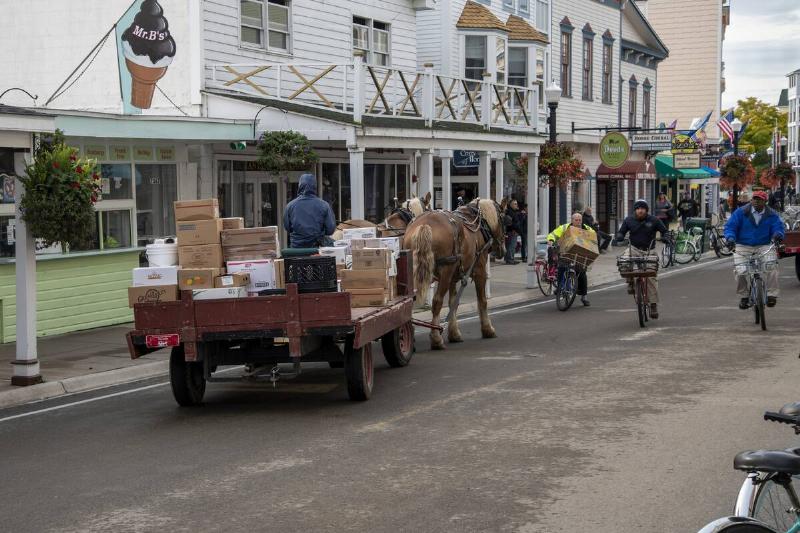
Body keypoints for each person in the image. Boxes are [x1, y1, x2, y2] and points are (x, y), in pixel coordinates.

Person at [723, 190, 785, 309]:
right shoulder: (741, 212)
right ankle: (744, 296)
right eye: (754, 199)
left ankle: (772, 295)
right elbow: (730, 226)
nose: (756, 201)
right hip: (743, 245)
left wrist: (778, 235)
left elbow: (778, 227)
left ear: (765, 202)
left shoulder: (772, 214)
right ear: (751, 200)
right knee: (740, 270)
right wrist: (730, 239)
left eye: (759, 199)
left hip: (764, 245)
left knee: (772, 266)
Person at [615, 200, 670, 319]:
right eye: (638, 208)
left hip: (649, 250)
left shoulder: (654, 220)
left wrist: (665, 237)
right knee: (624, 261)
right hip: (633, 248)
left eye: (643, 208)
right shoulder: (628, 220)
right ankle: (630, 281)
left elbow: (665, 231)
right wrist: (619, 236)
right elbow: (621, 232)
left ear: (646, 210)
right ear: (635, 210)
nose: (640, 210)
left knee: (651, 277)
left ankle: (653, 304)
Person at [547, 212, 596, 306]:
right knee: (561, 267)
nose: (578, 222)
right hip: (566, 252)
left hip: (580, 255)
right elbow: (553, 234)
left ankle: (584, 296)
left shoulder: (586, 228)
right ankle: (560, 286)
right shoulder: (565, 227)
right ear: (572, 220)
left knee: (582, 274)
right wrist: (551, 240)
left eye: (580, 220)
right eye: (576, 220)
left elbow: (593, 235)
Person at [283, 173, 336, 248]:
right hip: (317, 248)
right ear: (315, 187)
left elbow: (287, 227)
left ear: (300, 186)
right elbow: (330, 230)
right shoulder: (324, 205)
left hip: (296, 248)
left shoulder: (290, 206)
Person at [504, 199, 522, 264]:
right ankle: (510, 259)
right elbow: (509, 223)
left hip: (513, 231)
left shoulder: (514, 212)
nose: (516, 205)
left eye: (516, 203)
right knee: (511, 246)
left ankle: (510, 258)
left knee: (511, 246)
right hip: (511, 231)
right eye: (515, 204)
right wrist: (514, 229)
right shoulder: (509, 212)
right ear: (511, 205)